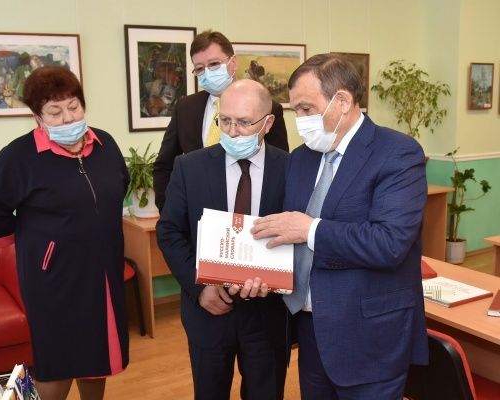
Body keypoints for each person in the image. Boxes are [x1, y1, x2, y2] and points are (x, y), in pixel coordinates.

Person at [251, 54, 429, 400]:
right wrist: (254, 269)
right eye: (295, 110)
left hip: (370, 337)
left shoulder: (398, 153)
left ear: (343, 101)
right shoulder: (301, 158)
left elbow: (389, 243)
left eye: (306, 108)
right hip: (311, 329)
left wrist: (311, 230)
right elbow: (287, 232)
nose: (300, 121)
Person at [0, 66, 129, 400]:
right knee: (57, 359)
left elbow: (120, 185)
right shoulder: (19, 156)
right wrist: (35, 242)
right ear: (37, 117)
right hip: (53, 278)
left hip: (102, 270)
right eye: (55, 112)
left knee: (97, 353)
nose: (68, 118)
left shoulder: (106, 144)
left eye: (74, 107)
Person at [156, 79, 289, 400]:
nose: (232, 131)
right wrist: (199, 287)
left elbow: (298, 233)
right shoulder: (189, 166)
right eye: (225, 120)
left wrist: (277, 277)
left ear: (268, 123)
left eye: (243, 122)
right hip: (209, 310)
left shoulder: (291, 168)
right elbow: (169, 232)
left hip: (268, 313)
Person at [153, 30, 289, 212]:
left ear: (233, 62)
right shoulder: (185, 108)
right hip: (197, 217)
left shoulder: (269, 108)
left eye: (214, 64)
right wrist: (169, 211)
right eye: (200, 68)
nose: (207, 73)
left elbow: (278, 168)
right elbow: (164, 165)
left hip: (250, 212)